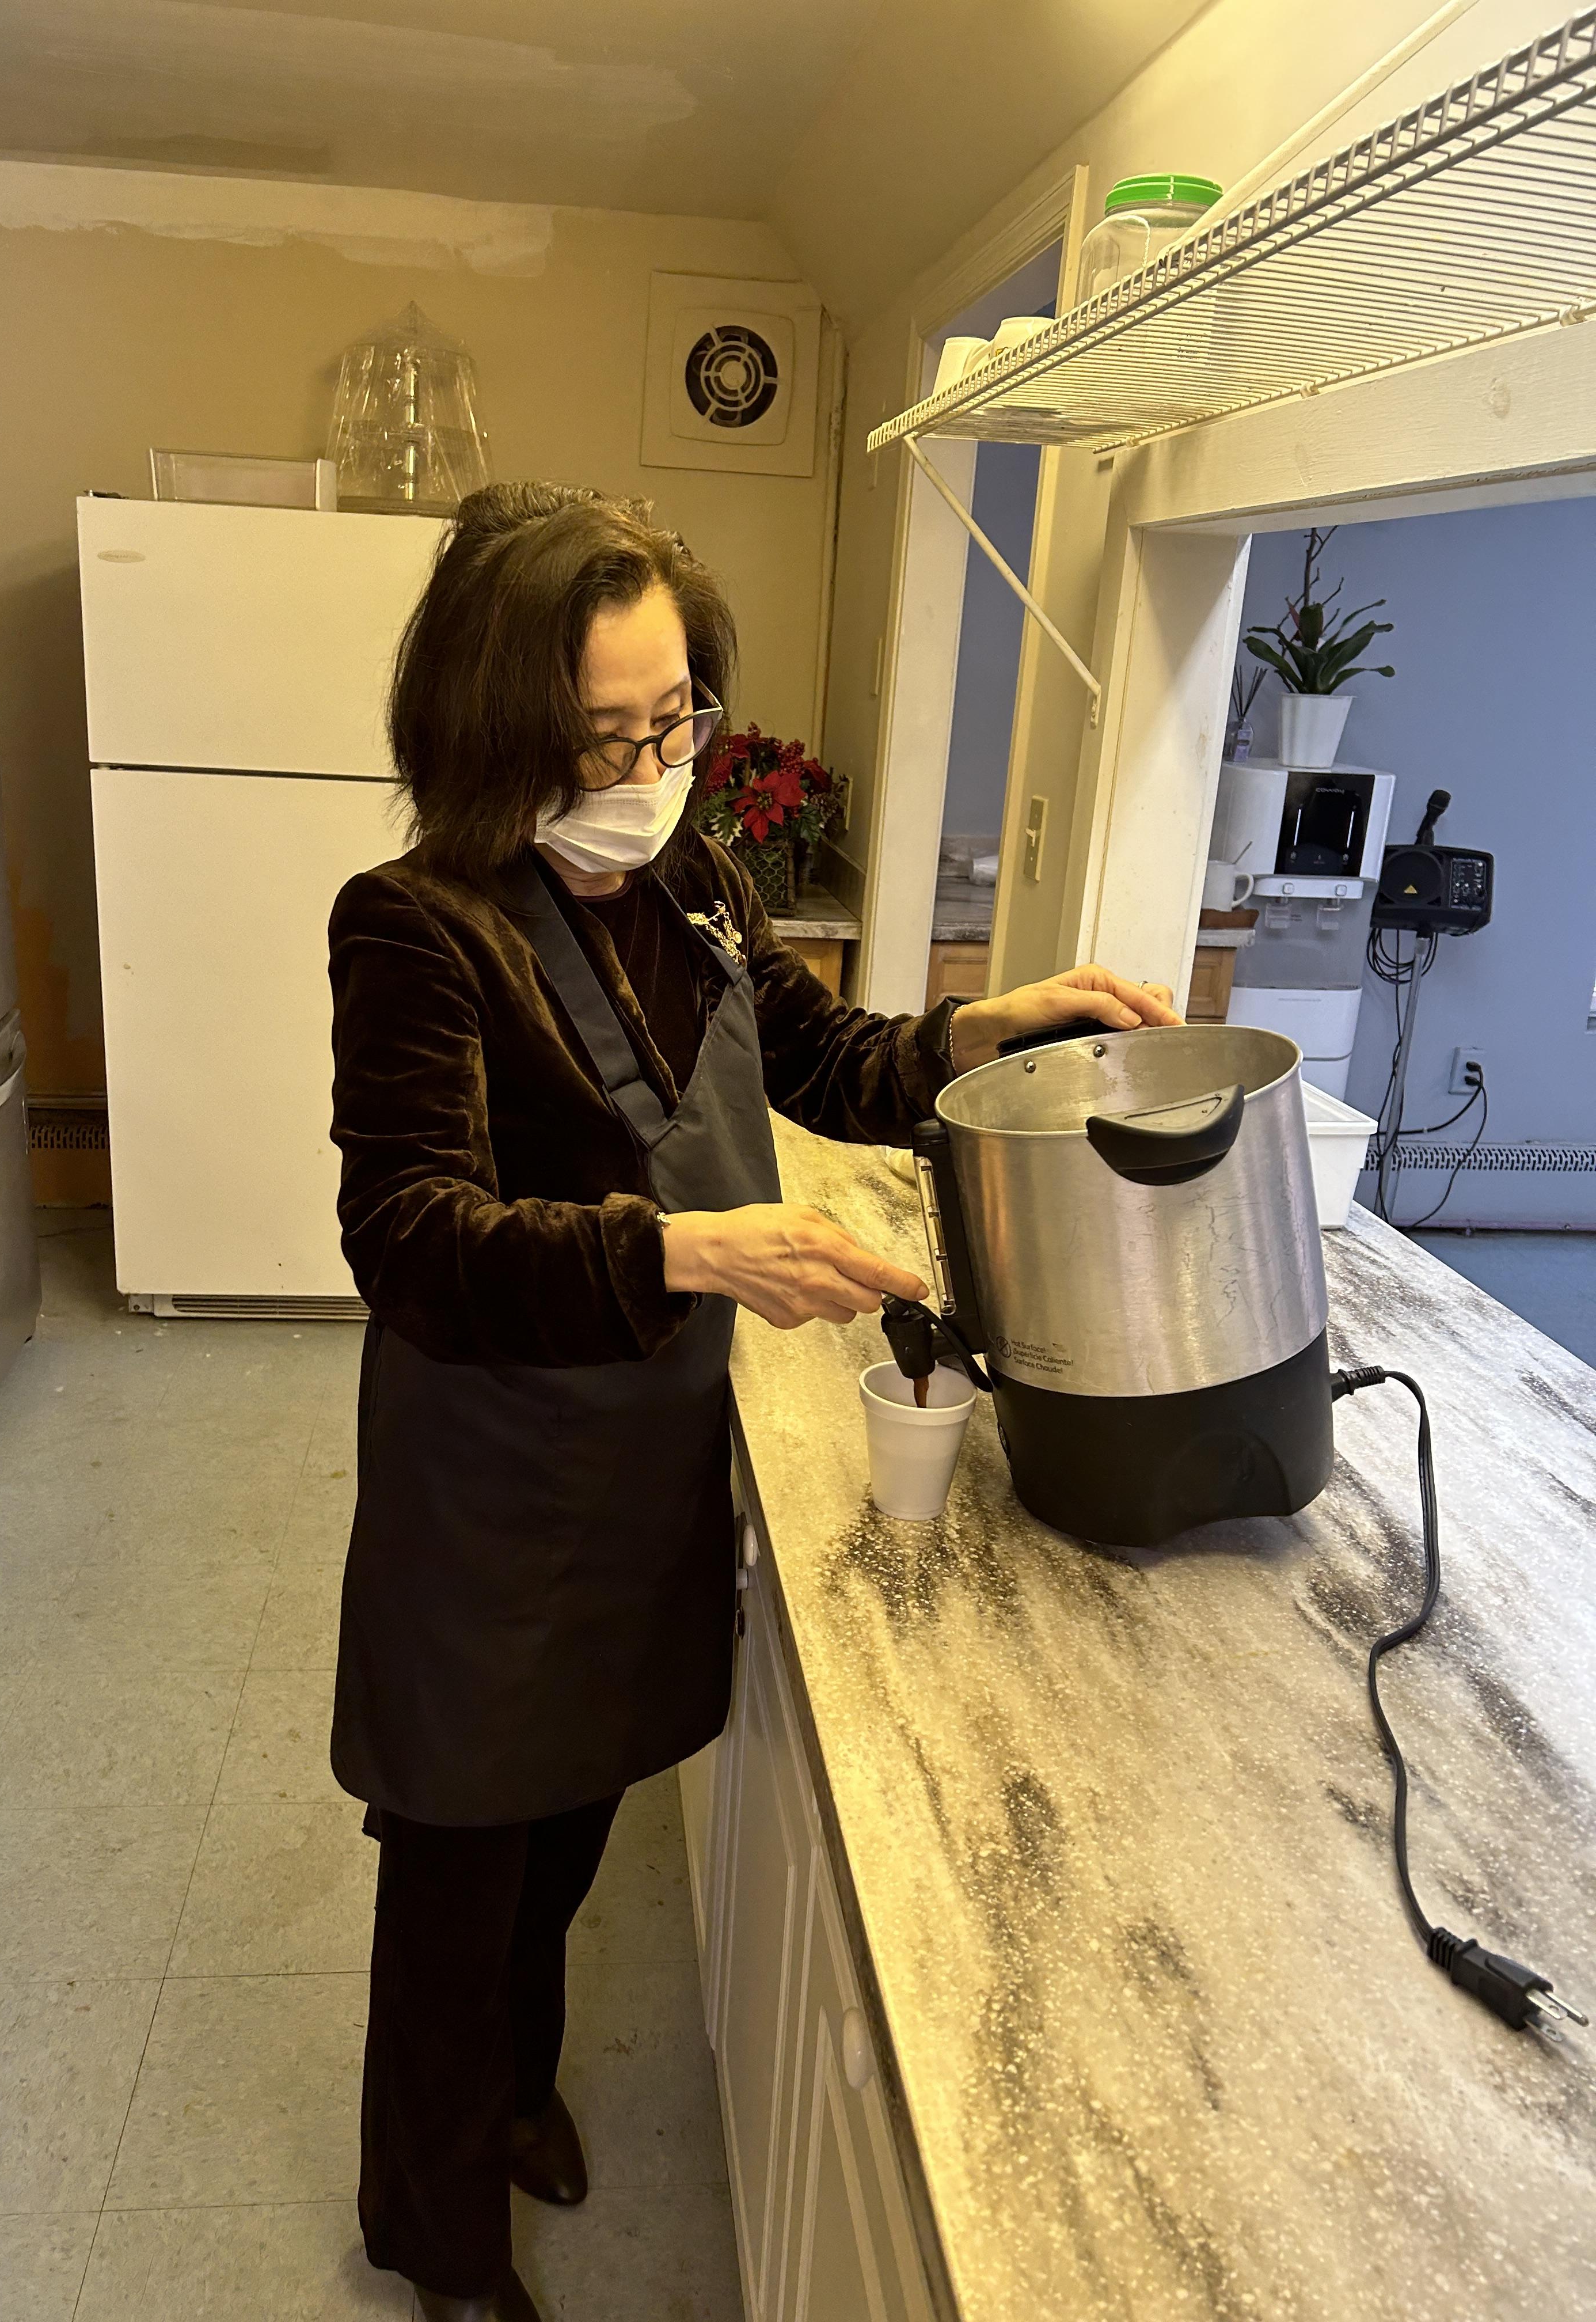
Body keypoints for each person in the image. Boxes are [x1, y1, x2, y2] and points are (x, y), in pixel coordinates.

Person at [326, 481, 1180, 2321]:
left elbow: (823, 1057)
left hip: (633, 1456)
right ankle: (432, 2229)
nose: (653, 771)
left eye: (676, 720)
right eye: (606, 736)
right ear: (495, 729)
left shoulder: (697, 889)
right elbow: (410, 1237)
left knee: (569, 1822)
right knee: (461, 1872)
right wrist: (693, 1251)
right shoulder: (415, 926)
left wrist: (969, 1035)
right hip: (490, 1486)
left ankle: (513, 2094)